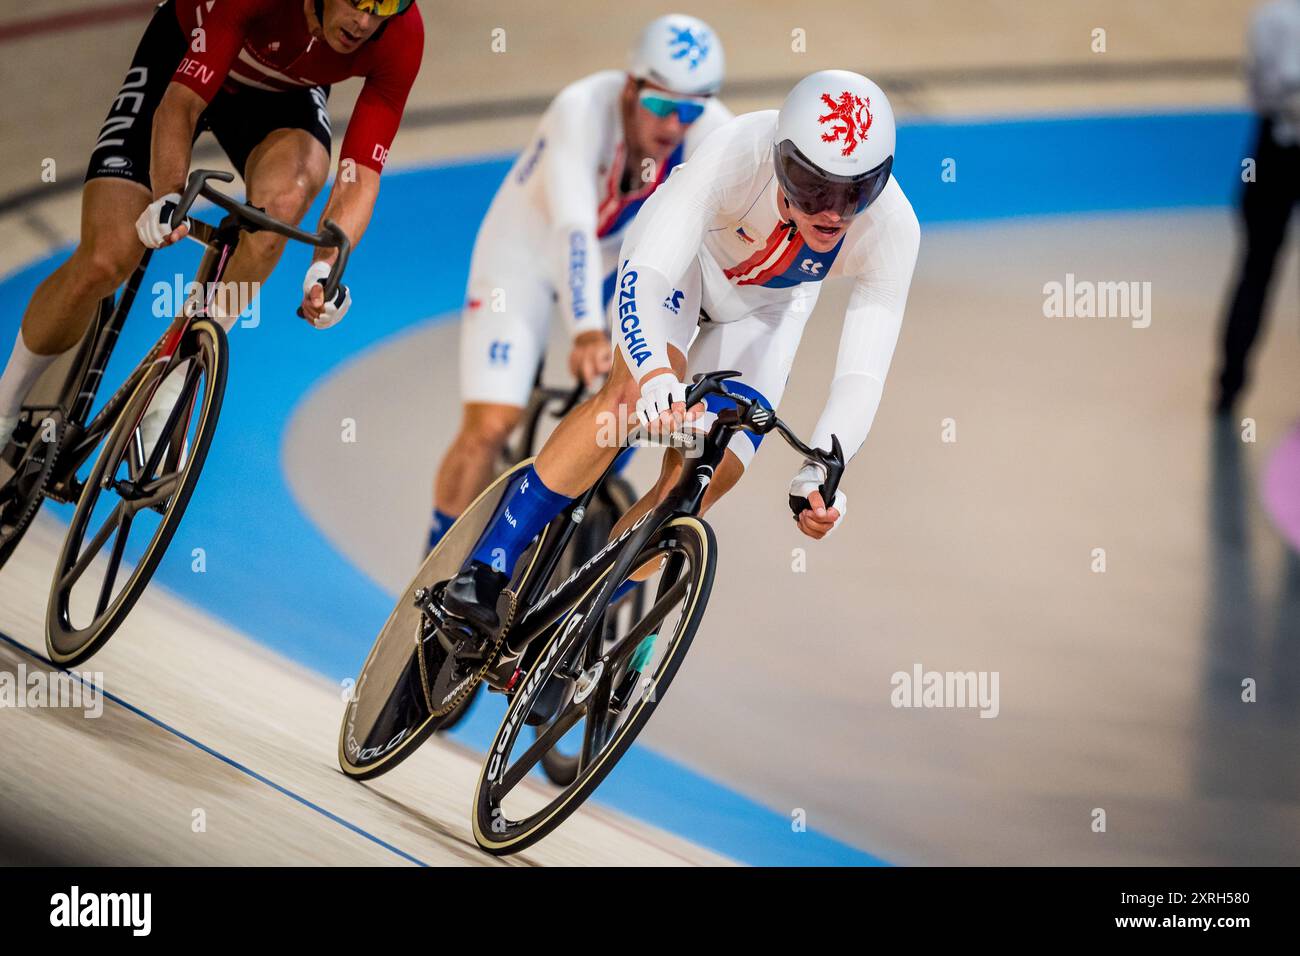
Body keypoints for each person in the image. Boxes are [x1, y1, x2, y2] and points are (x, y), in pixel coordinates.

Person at [439, 69, 921, 639]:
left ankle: (571, 625)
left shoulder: (893, 229)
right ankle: (484, 570)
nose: (834, 212)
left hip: (767, 310)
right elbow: (648, 273)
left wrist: (824, 469)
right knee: (625, 401)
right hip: (679, 265)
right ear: (780, 160)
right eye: (815, 188)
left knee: (706, 475)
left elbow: (863, 371)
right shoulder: (740, 151)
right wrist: (655, 376)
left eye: (855, 192)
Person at [0, 0, 424, 454]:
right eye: (357, 1)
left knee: (283, 203)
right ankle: (5, 403)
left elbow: (359, 175)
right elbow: (180, 105)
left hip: (281, 95)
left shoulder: (401, 37)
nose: (364, 22)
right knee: (108, 255)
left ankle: (174, 386)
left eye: (383, 9)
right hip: (184, 58)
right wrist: (166, 196)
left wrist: (326, 269)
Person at [424, 13, 732, 553]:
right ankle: (437, 565)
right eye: (661, 105)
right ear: (631, 86)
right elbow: (574, 231)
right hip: (523, 254)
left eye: (690, 109)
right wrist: (587, 331)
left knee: (626, 398)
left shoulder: (715, 133)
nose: (674, 125)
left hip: (620, 262)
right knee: (492, 424)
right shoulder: (582, 108)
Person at [1215, 0, 1300, 413]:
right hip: (1274, 154)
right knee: (1256, 268)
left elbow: (1268, 88)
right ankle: (1229, 383)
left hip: (1274, 149)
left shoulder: (1271, 18)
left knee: (1255, 270)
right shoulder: (1273, 18)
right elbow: (1272, 92)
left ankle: (1228, 384)